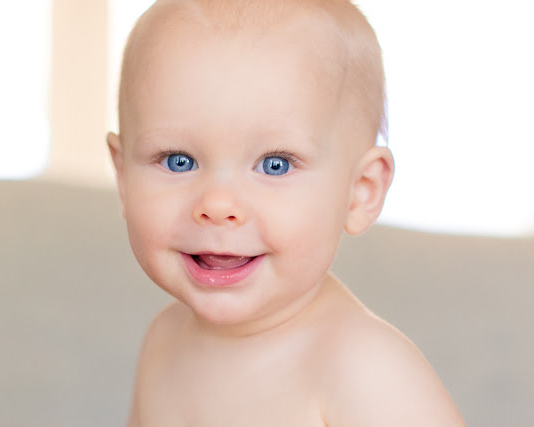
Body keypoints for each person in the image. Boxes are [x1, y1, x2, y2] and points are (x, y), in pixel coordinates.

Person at [107, 0, 465, 425]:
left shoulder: (367, 373)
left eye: (275, 164)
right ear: (124, 177)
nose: (218, 206)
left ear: (360, 191)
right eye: (178, 161)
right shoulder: (163, 341)